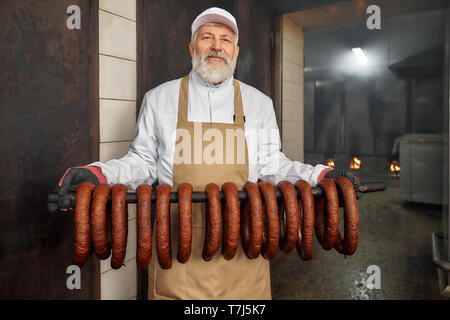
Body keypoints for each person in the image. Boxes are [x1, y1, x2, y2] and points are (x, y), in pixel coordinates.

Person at [56, 7, 359, 300]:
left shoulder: (259, 104)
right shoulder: (159, 99)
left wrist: (320, 175)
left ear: (236, 52)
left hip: (245, 251)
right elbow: (143, 163)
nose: (216, 47)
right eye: (207, 37)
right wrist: (98, 173)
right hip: (175, 254)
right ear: (192, 47)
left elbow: (272, 164)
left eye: (225, 40)